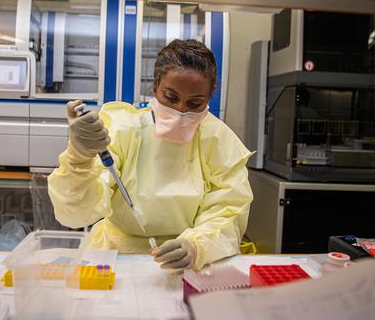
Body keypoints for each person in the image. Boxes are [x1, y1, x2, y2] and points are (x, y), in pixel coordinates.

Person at [48, 39, 253, 271]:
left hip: (187, 263)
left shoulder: (218, 141)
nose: (181, 111)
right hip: (115, 257)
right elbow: (75, 215)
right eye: (171, 97)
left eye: (195, 103)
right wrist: (79, 159)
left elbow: (228, 211)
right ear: (156, 86)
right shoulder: (124, 129)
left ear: (210, 95)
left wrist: (197, 246)